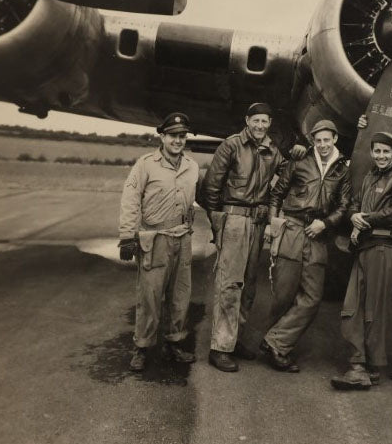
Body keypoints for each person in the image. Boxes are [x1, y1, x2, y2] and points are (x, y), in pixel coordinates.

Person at [260, 119, 350, 372]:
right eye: (317, 140)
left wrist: (326, 223)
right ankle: (278, 348)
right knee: (284, 293)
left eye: (326, 140)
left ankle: (274, 342)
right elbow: (277, 193)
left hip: (318, 233)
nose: (322, 144)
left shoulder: (343, 169)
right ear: (312, 141)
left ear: (335, 139)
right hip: (292, 227)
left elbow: (343, 205)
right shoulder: (299, 161)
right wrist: (272, 224)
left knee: (312, 298)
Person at [202, 103, 285, 372]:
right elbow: (211, 186)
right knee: (230, 283)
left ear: (270, 122)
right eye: (256, 120)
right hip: (234, 218)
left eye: (265, 121)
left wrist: (297, 153)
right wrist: (218, 222)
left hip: (258, 221)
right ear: (247, 120)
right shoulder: (231, 145)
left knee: (249, 284)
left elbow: (287, 173)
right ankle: (220, 348)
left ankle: (233, 339)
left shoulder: (273, 150)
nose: (260, 126)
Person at [331, 131, 392, 391]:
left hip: (384, 247)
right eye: (376, 151)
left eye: (385, 152)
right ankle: (361, 363)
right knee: (353, 306)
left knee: (374, 310)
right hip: (365, 246)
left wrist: (363, 219)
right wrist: (354, 215)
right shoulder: (369, 176)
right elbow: (356, 202)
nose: (380, 156)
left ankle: (369, 366)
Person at [118, 111, 200, 373]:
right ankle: (141, 347)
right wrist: (127, 236)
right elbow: (130, 199)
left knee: (180, 296)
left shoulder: (192, 166)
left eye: (182, 136)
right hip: (154, 240)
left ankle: (174, 343)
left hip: (183, 238)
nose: (178, 141)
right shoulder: (145, 165)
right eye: (173, 136)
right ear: (162, 137)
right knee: (149, 296)